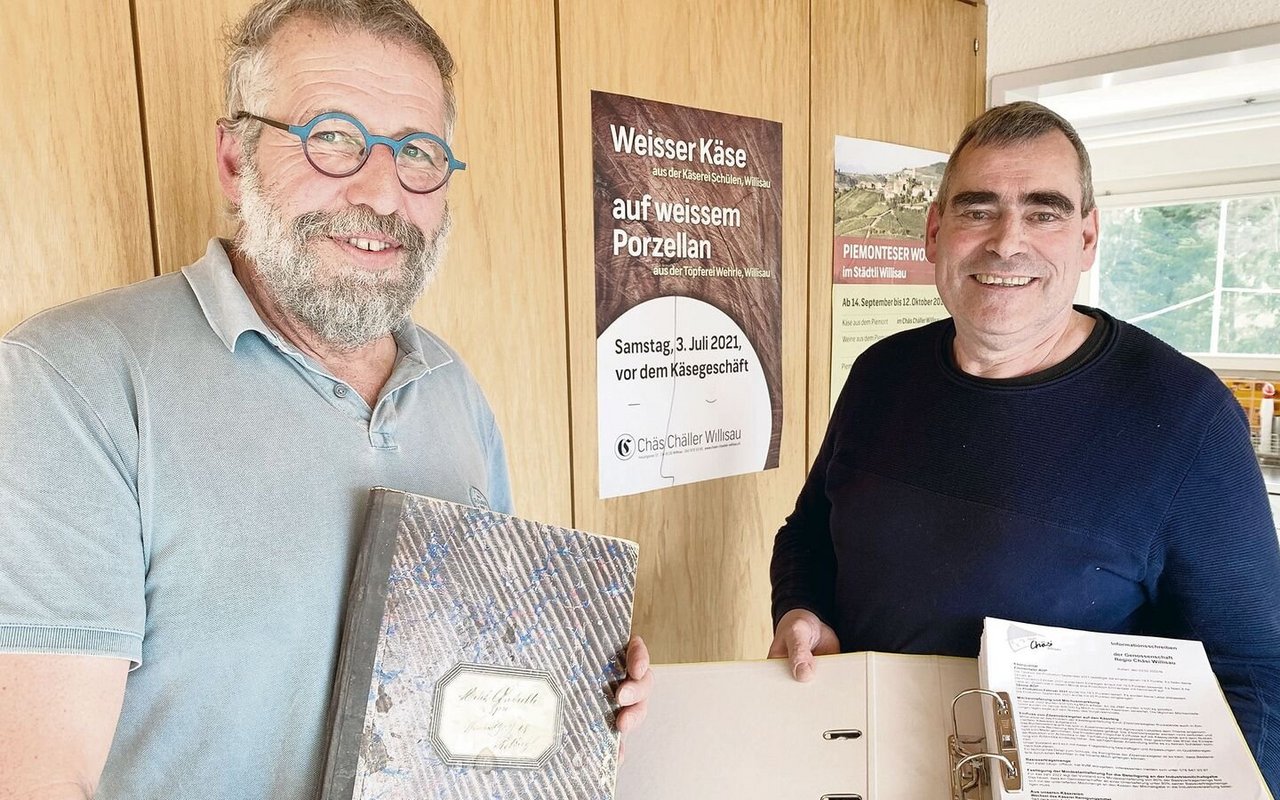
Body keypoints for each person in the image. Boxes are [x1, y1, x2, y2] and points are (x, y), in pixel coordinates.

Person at [0, 2, 650, 798]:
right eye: (333, 137)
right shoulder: (75, 380)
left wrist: (568, 681)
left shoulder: (454, 391)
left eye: (418, 151)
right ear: (236, 160)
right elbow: (38, 778)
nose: (381, 190)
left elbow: (476, 683)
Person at [769, 101, 1280, 790]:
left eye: (1045, 211)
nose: (1008, 242)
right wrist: (804, 611)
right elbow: (808, 535)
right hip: (861, 762)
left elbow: (1257, 676)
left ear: (1088, 237)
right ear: (933, 231)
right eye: (978, 209)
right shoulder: (881, 373)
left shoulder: (1187, 415)